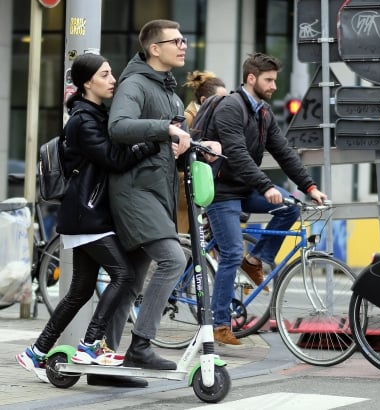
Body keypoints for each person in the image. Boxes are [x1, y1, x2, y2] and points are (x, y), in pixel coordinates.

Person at [15, 53, 159, 381]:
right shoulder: (83, 120)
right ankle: (91, 344)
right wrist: (151, 144)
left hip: (85, 213)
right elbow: (114, 159)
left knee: (80, 291)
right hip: (86, 214)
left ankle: (35, 352)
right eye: (106, 74)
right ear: (87, 83)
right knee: (124, 276)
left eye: (112, 74)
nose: (113, 80)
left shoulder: (93, 114)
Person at [106, 19, 221, 371]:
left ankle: (105, 353)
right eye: (176, 40)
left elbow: (177, 147)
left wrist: (202, 148)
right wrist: (165, 129)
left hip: (158, 192)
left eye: (184, 39)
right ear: (155, 48)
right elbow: (118, 127)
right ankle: (140, 345)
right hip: (134, 190)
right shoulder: (136, 83)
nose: (184, 45)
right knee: (173, 258)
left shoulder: (169, 92)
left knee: (132, 278)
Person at [205, 52, 327, 346]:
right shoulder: (231, 108)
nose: (274, 86)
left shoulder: (263, 113)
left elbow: (284, 152)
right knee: (231, 252)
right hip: (221, 191)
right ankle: (219, 324)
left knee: (289, 208)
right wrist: (264, 185)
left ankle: (256, 259)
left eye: (275, 80)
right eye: (269, 80)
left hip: (245, 188)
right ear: (251, 78)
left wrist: (310, 187)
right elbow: (236, 153)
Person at [177, 71, 227, 234]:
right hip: (187, 185)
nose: (226, 105)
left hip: (201, 183)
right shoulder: (188, 117)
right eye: (221, 100)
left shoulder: (209, 116)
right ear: (205, 100)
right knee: (187, 238)